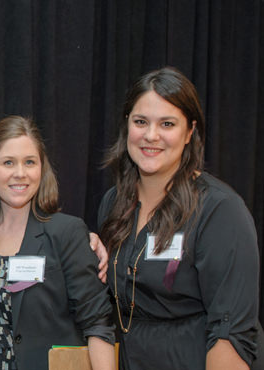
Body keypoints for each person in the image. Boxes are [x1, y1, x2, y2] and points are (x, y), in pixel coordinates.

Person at [98, 66, 263, 370]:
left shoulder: (220, 211)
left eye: (167, 124)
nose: (151, 135)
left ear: (189, 132)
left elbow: (230, 333)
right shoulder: (113, 203)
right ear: (127, 127)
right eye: (140, 122)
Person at [0, 115, 115, 370]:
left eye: (30, 162)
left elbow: (98, 324)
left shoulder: (65, 233)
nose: (20, 173)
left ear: (41, 168)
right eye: (8, 162)